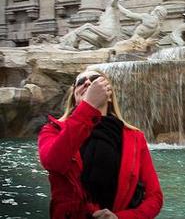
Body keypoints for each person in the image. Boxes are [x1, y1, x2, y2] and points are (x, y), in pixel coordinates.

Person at [38, 70, 163, 218]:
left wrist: (121, 217)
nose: (88, 83)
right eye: (81, 82)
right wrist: (88, 106)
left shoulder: (135, 138)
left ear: (110, 96)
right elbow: (53, 162)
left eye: (95, 79)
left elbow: (155, 196)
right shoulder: (53, 130)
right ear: (73, 98)